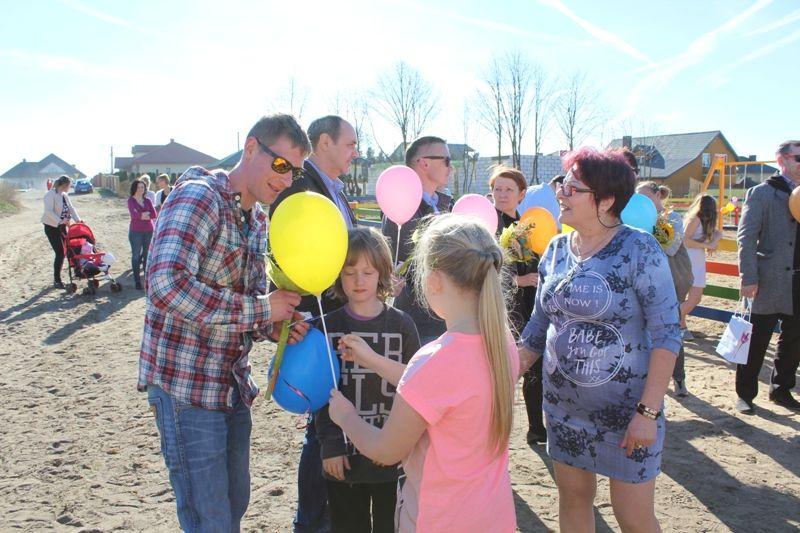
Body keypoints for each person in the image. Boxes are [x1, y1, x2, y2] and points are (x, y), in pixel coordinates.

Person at [138, 114, 312, 532]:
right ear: (251, 148)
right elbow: (164, 284)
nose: (286, 180)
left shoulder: (258, 220)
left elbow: (242, 302)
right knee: (209, 519)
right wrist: (261, 311)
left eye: (295, 171)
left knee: (232, 507)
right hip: (186, 389)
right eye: (281, 165)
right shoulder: (201, 196)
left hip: (232, 387)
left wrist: (273, 325)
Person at [519, 147, 681, 533]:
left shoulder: (640, 249)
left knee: (633, 518)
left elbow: (667, 334)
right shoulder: (557, 249)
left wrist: (647, 413)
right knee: (574, 502)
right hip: (563, 409)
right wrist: (502, 370)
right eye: (563, 184)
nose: (561, 193)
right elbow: (538, 328)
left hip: (627, 414)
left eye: (573, 188)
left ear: (606, 200)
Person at [329, 214, 519, 532]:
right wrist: (374, 360)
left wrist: (345, 415)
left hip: (438, 518)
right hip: (492, 514)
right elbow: (438, 392)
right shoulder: (503, 343)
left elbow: (385, 449)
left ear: (433, 281)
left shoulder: (436, 361)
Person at [269, 115, 359, 533]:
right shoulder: (301, 188)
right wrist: (298, 310)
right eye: (349, 144)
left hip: (336, 315)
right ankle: (309, 521)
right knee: (319, 428)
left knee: (328, 422)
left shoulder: (336, 192)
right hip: (311, 318)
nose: (355, 153)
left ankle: (322, 517)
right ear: (324, 142)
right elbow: (290, 252)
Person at [314, 227, 420, 533]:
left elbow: (414, 389)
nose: (359, 281)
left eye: (367, 271)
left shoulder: (402, 325)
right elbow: (321, 393)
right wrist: (330, 444)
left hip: (392, 456)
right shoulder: (327, 326)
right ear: (338, 276)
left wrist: (404, 445)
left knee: (391, 526)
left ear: (381, 274)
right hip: (344, 458)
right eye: (350, 272)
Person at [736, 140, 800, 413]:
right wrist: (748, 276)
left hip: (798, 279)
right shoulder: (762, 193)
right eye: (799, 157)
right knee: (756, 339)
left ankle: (781, 389)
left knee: (794, 340)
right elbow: (747, 236)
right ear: (782, 159)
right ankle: (745, 394)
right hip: (768, 280)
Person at [490, 166, 546, 445]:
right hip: (499, 306)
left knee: (535, 365)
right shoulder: (488, 223)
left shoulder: (529, 224)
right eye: (497, 189)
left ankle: (536, 427)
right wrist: (517, 279)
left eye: (508, 189)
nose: (501, 194)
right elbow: (483, 268)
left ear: (521, 194)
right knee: (503, 370)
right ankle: (494, 433)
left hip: (530, 305)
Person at [383, 136, 453, 344]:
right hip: (419, 320)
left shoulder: (441, 205)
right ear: (424, 163)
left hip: (443, 315)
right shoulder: (404, 205)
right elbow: (407, 264)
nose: (451, 168)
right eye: (446, 161)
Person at [637, 181, 694, 398]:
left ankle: (679, 379)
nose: (640, 202)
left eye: (645, 197)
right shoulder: (633, 218)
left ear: (657, 195)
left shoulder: (672, 218)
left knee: (670, 329)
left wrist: (647, 231)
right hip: (644, 282)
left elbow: (670, 247)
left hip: (670, 281)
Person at [680, 195, 721, 339]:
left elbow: (718, 232)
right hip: (689, 259)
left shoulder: (704, 220)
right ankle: (672, 320)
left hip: (696, 260)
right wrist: (707, 245)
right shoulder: (695, 218)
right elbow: (685, 240)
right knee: (694, 298)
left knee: (693, 297)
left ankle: (679, 326)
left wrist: (714, 241)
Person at [42, 175, 81, 289]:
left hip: (62, 226)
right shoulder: (50, 195)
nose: (70, 187)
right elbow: (48, 212)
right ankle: (57, 280)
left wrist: (79, 220)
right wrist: (60, 221)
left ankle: (77, 271)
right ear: (64, 185)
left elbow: (71, 208)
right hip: (52, 227)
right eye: (69, 185)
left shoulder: (64, 195)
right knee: (60, 253)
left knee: (68, 250)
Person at [127, 178, 157, 290]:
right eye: (139, 187)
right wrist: (143, 214)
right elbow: (134, 215)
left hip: (149, 231)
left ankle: (146, 279)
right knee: (135, 256)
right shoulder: (131, 201)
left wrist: (142, 214)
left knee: (146, 255)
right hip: (135, 232)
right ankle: (137, 281)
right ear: (134, 188)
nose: (141, 189)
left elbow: (154, 214)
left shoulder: (148, 200)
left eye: (142, 187)